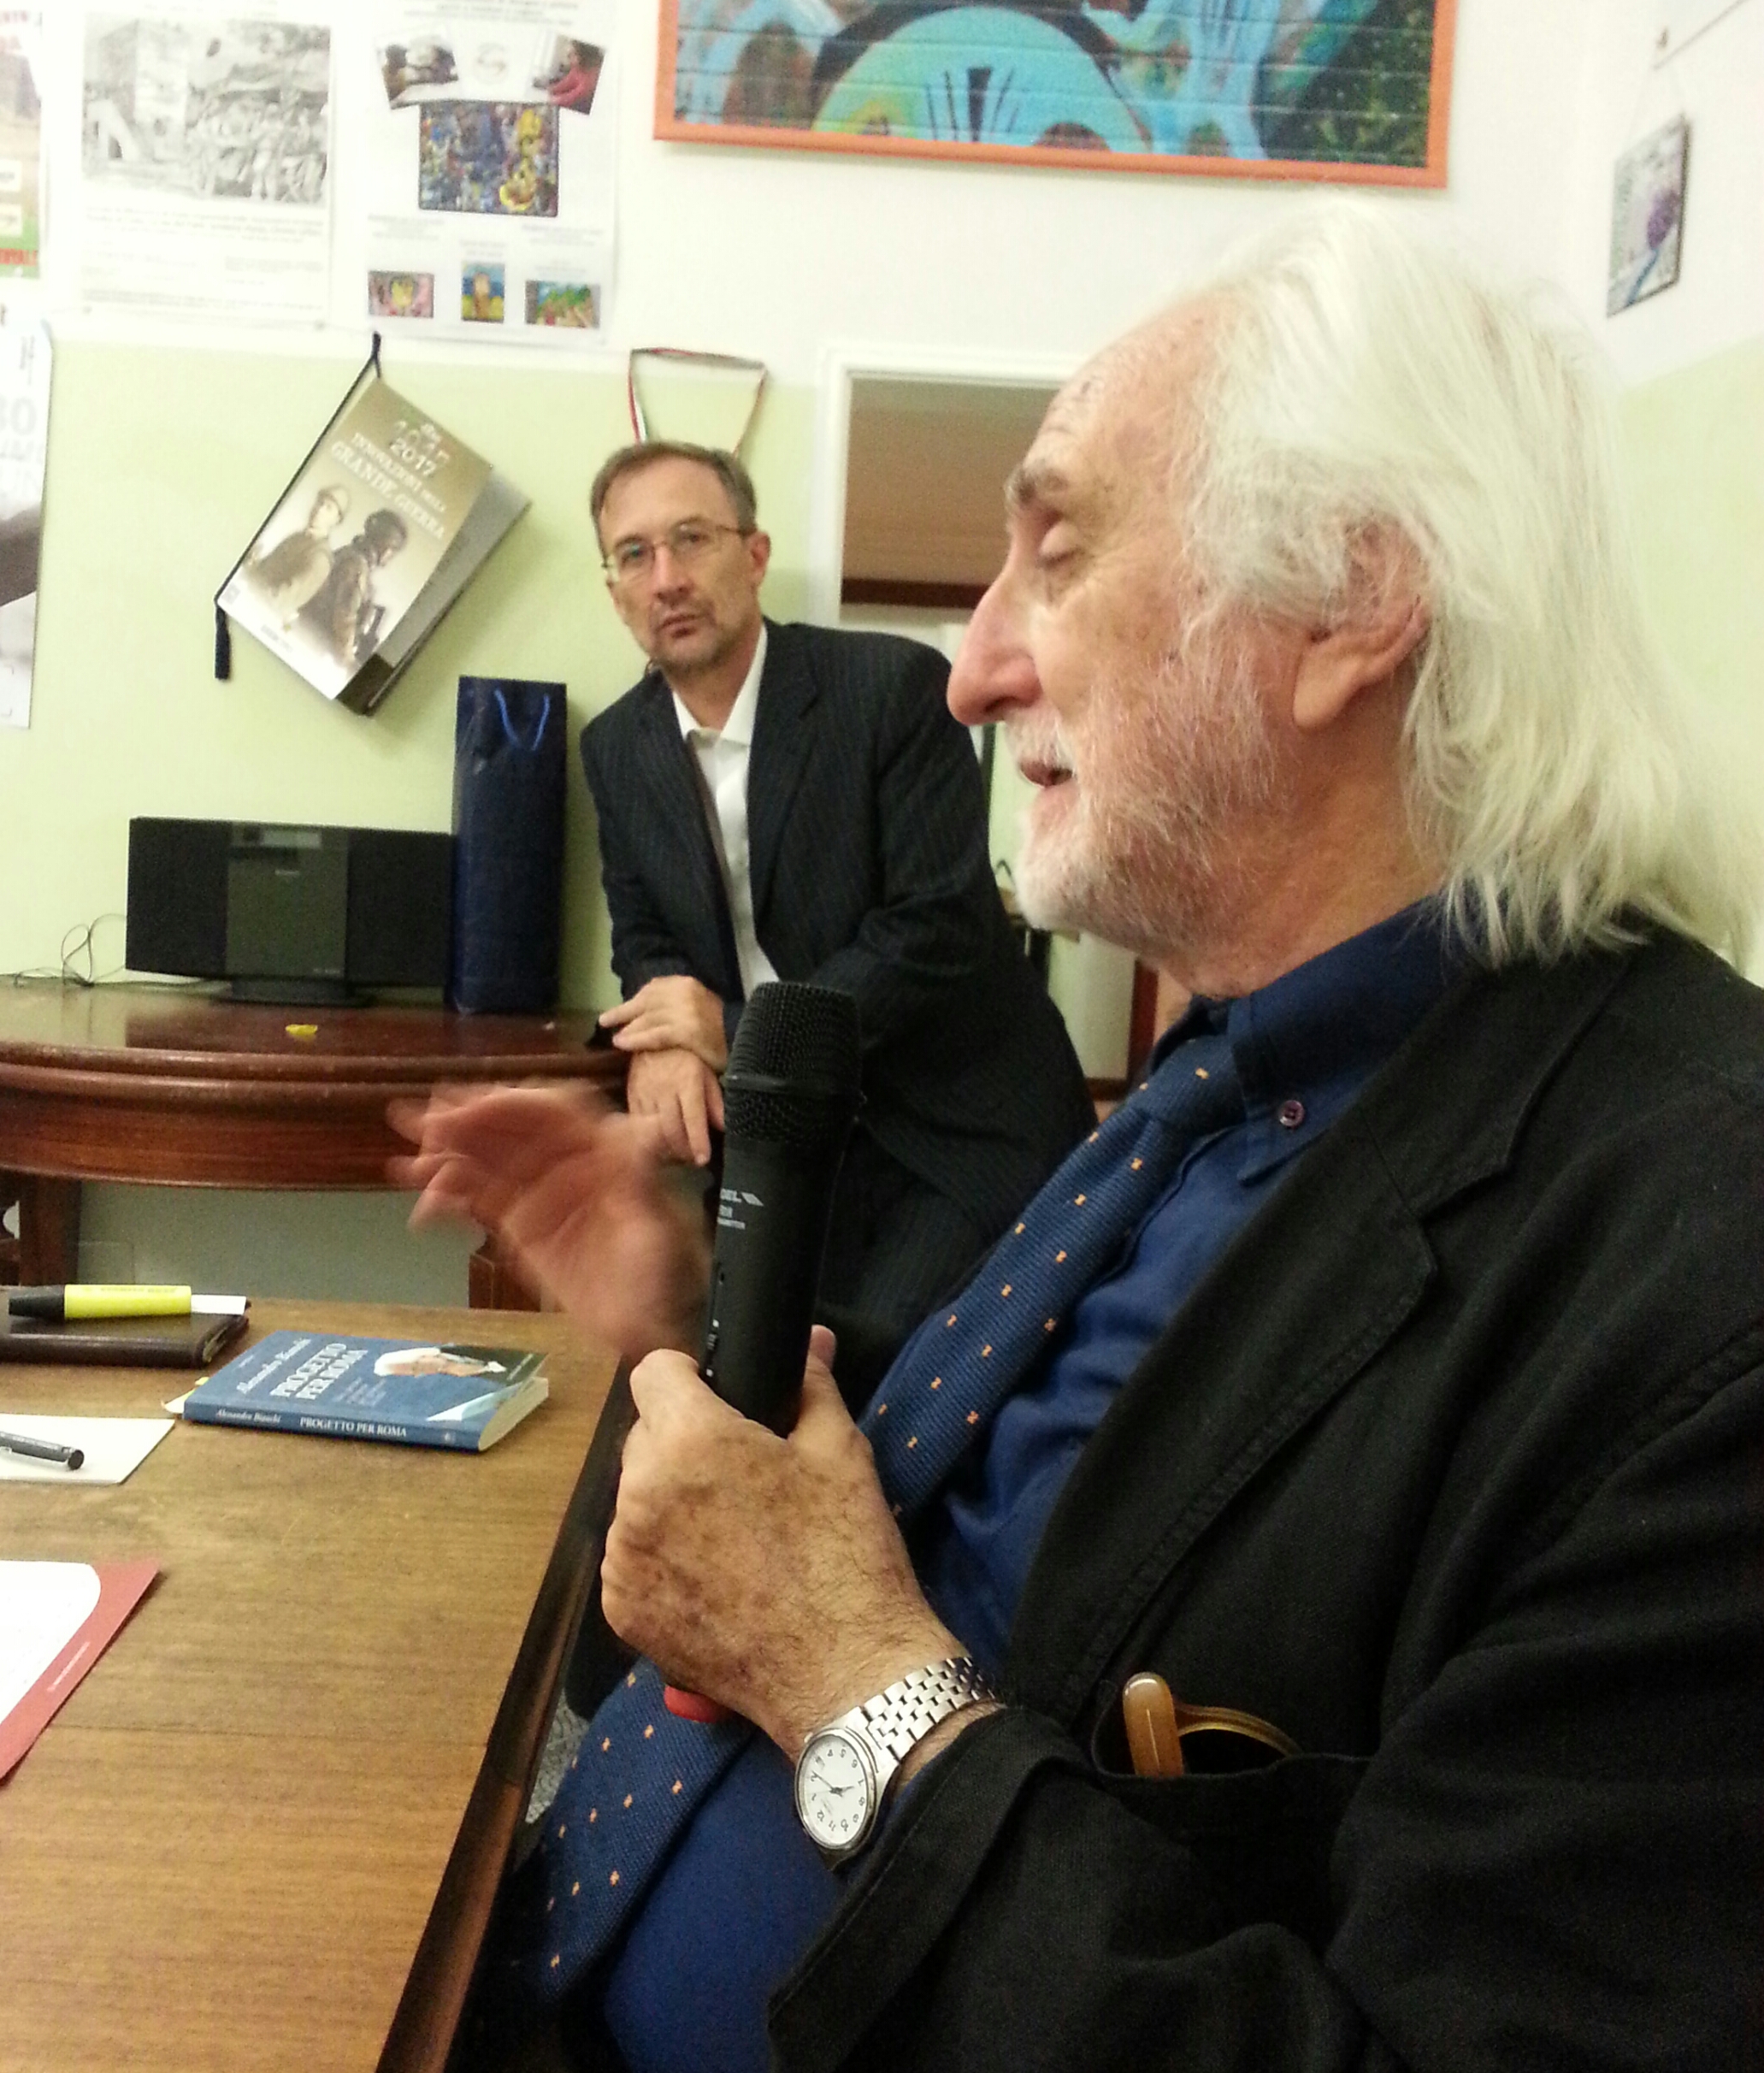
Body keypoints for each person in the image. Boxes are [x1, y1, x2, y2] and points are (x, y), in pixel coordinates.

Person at [393, 204, 1764, 2073]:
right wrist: (676, 1333)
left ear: (1348, 603)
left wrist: (849, 1689)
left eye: (1055, 552)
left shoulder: (1698, 1278)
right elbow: (917, 1545)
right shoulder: (1216, 1082)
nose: (971, 669)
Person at [577, 438, 1094, 1343]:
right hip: (782, 1137)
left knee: (871, 1374)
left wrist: (733, 1033)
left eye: (691, 539)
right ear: (614, 591)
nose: (666, 578)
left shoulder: (891, 690)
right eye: (633, 554)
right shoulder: (615, 748)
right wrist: (660, 1045)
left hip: (945, 1129)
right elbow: (646, 934)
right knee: (729, 1359)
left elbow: (934, 931)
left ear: (754, 555)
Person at [298, 506, 407, 668]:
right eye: (392, 549)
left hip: (307, 633)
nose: (390, 556)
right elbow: (344, 617)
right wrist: (347, 661)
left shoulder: (347, 553)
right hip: (312, 643)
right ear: (384, 546)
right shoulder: (357, 567)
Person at [245, 482, 348, 626]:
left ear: (336, 520)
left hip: (261, 617)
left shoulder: (320, 559)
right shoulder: (297, 538)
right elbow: (264, 571)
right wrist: (250, 563)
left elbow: (280, 601)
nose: (319, 510)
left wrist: (248, 584)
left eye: (328, 508)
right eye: (320, 503)